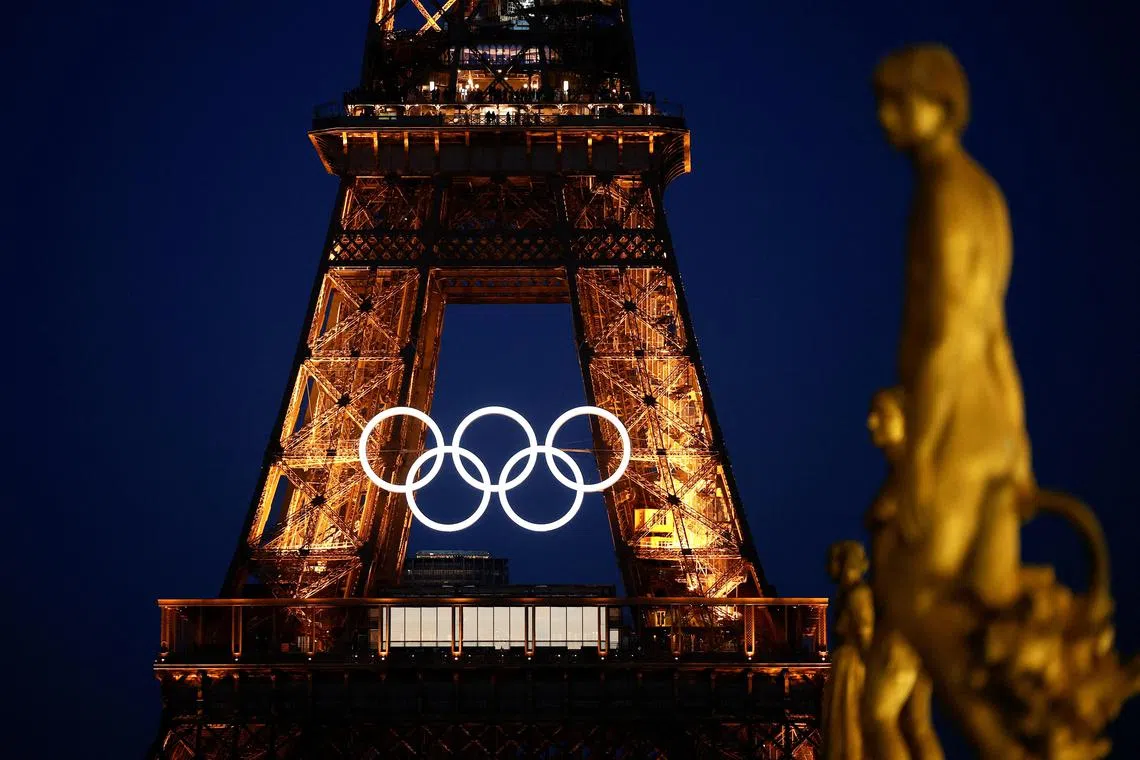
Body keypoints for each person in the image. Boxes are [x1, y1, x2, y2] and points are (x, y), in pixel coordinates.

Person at [821, 541, 873, 760]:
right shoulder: (850, 595)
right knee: (841, 725)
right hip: (845, 663)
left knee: (846, 723)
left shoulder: (857, 595)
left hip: (851, 665)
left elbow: (866, 634)